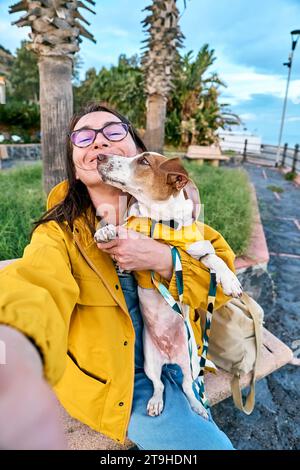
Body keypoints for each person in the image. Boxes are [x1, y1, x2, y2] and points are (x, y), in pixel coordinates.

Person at [0, 103, 235, 450]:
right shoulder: (58, 235)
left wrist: (165, 259)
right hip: (125, 383)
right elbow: (37, 286)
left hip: (185, 357)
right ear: (76, 170)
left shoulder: (176, 220)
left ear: (138, 153)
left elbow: (224, 284)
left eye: (113, 131)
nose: (98, 141)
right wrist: (17, 344)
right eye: (84, 136)